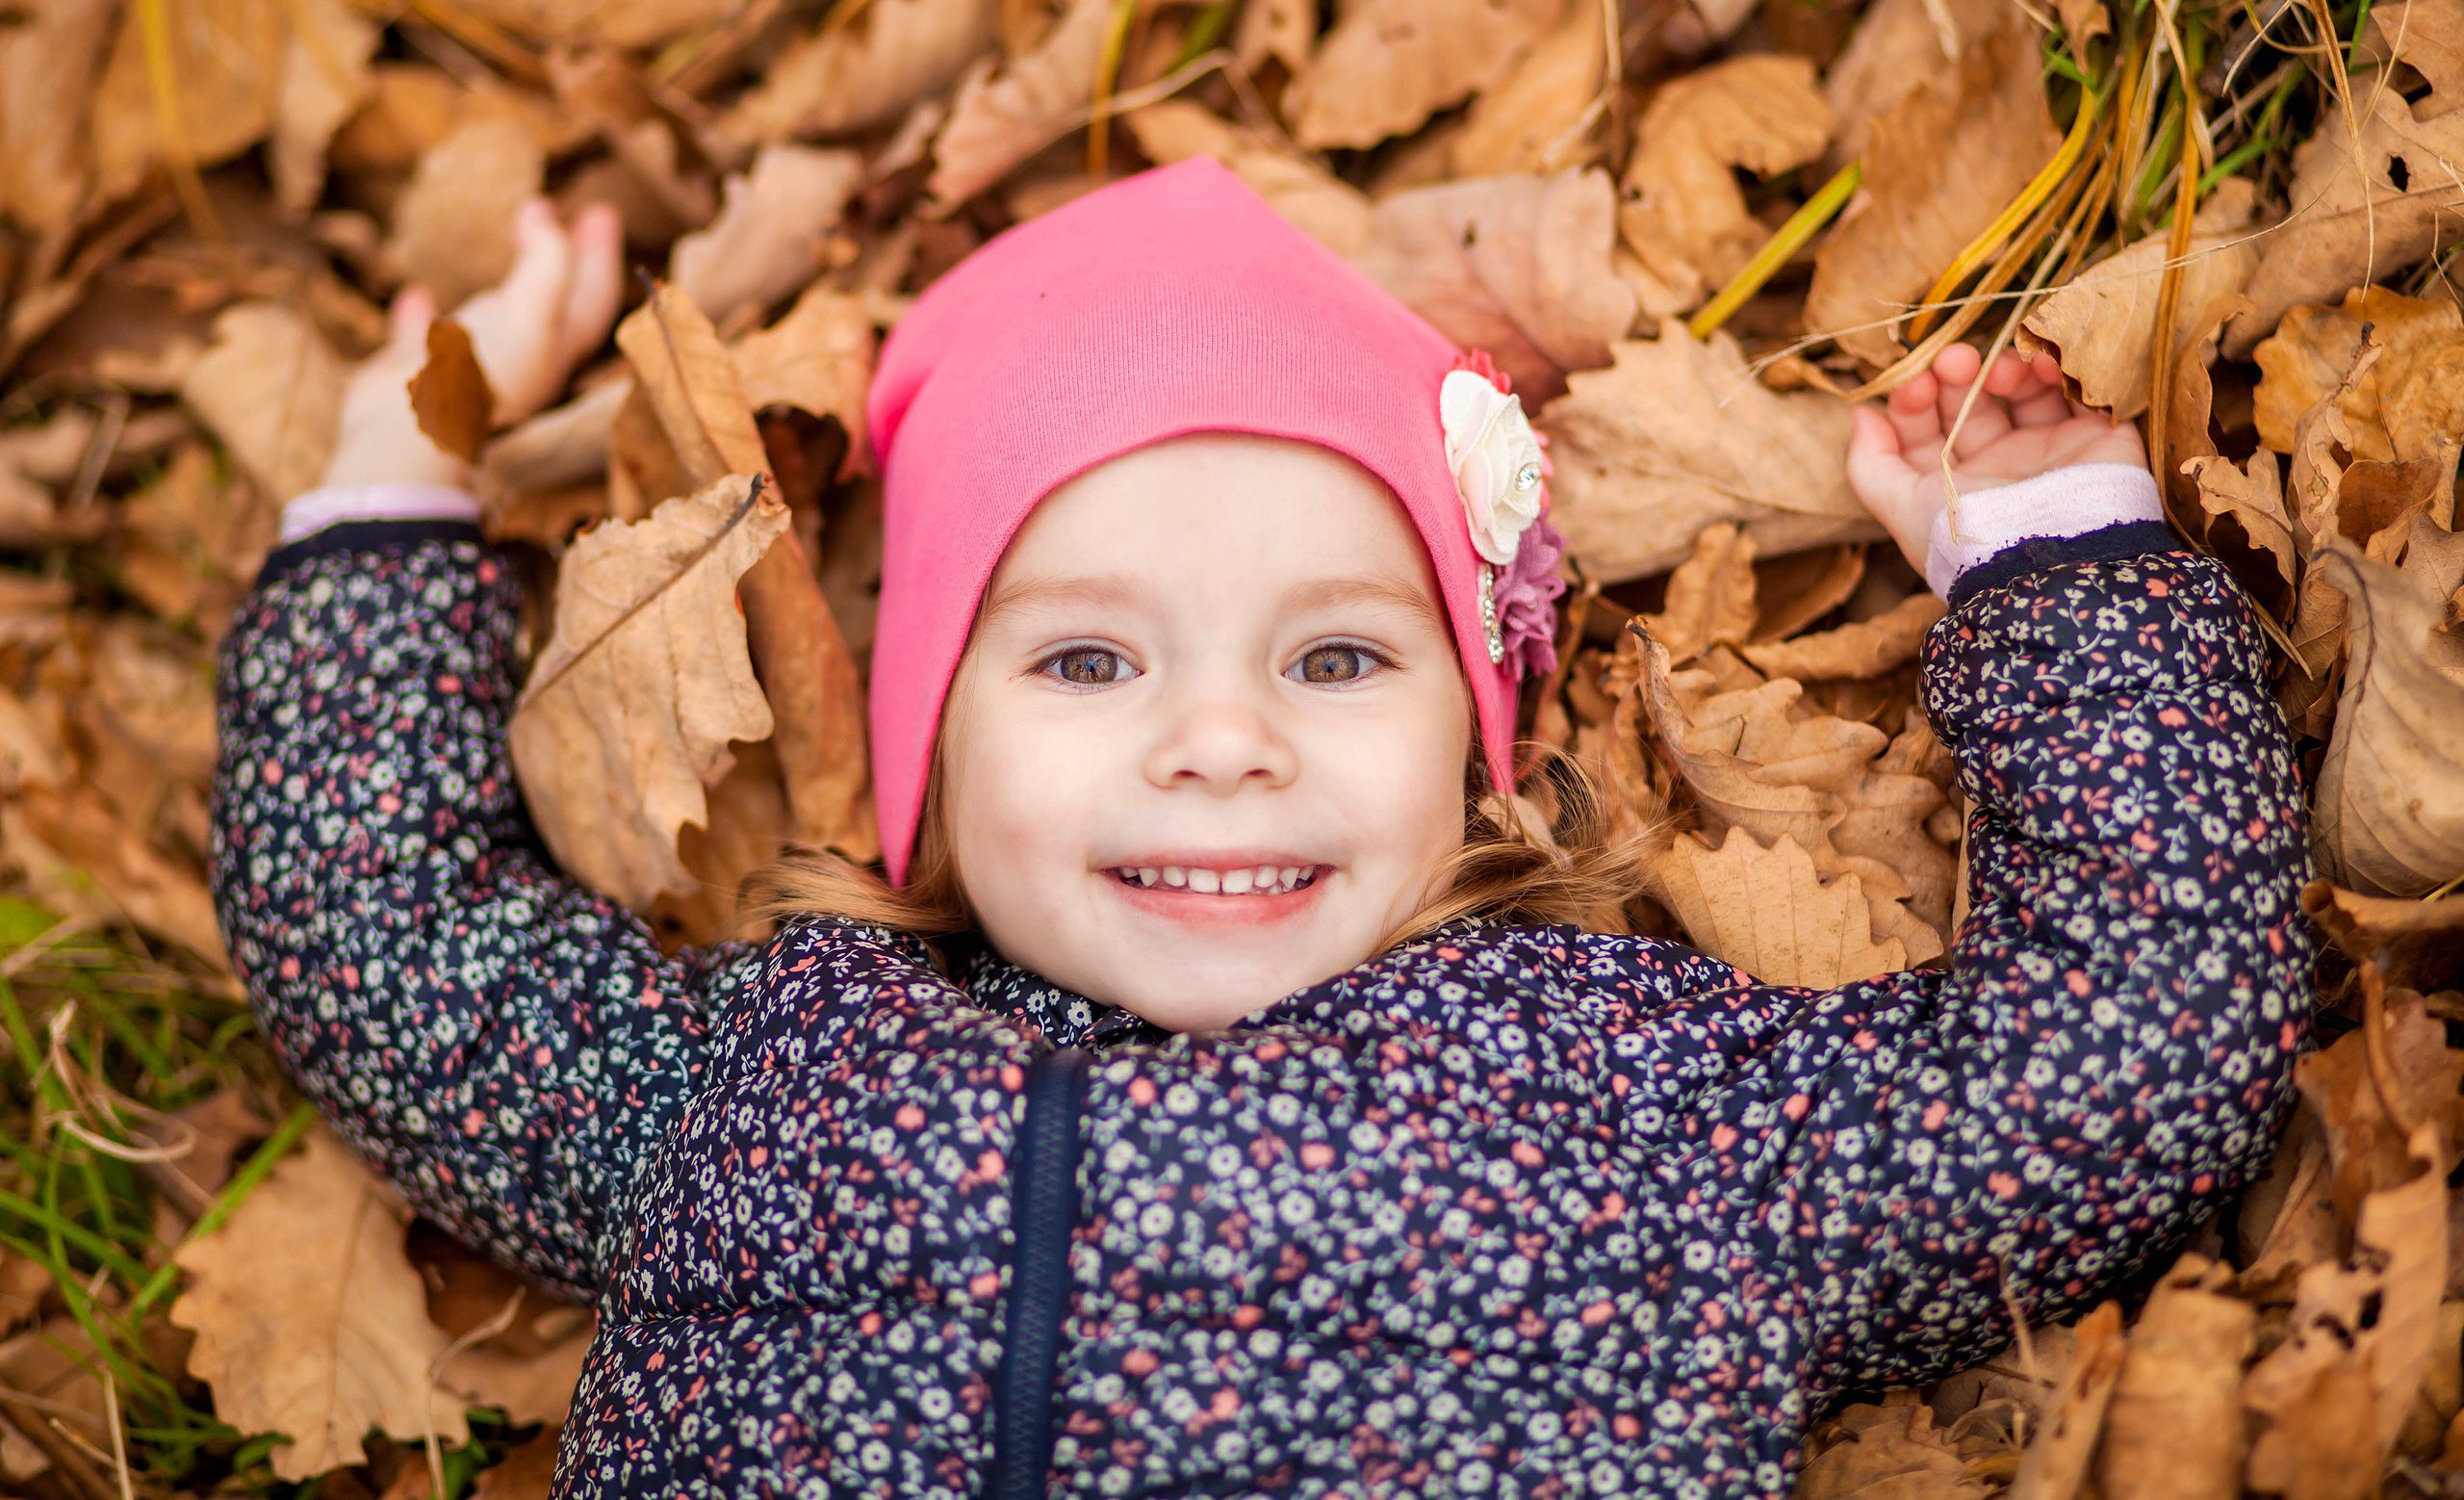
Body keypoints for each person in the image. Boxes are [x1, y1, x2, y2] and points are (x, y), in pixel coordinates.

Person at [213, 159, 2312, 1499]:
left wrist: (2053, 576)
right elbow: (378, 939)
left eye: (1330, 660)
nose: (1217, 740)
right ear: (926, 753)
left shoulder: (1631, 1100)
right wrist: (389, 473)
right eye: (1085, 662)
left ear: (1479, 738)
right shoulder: (764, 1076)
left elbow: (2107, 1065)